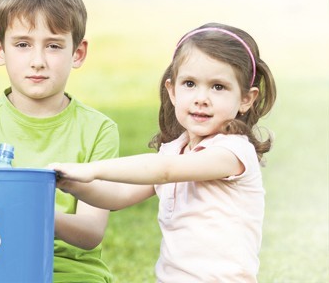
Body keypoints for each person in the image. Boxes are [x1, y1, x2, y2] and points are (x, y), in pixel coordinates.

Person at [50, 22, 277, 282]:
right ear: (172, 90)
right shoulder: (175, 151)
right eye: (190, 83)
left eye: (218, 87)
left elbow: (164, 171)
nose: (201, 98)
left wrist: (91, 169)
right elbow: (117, 195)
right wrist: (71, 184)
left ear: (246, 99)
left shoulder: (233, 152)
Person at [0, 0, 118, 282]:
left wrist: (25, 211)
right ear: (0, 50)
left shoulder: (98, 130)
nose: (37, 60)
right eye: (23, 44)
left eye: (53, 46)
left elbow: (91, 231)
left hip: (70, 272)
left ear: (77, 53)